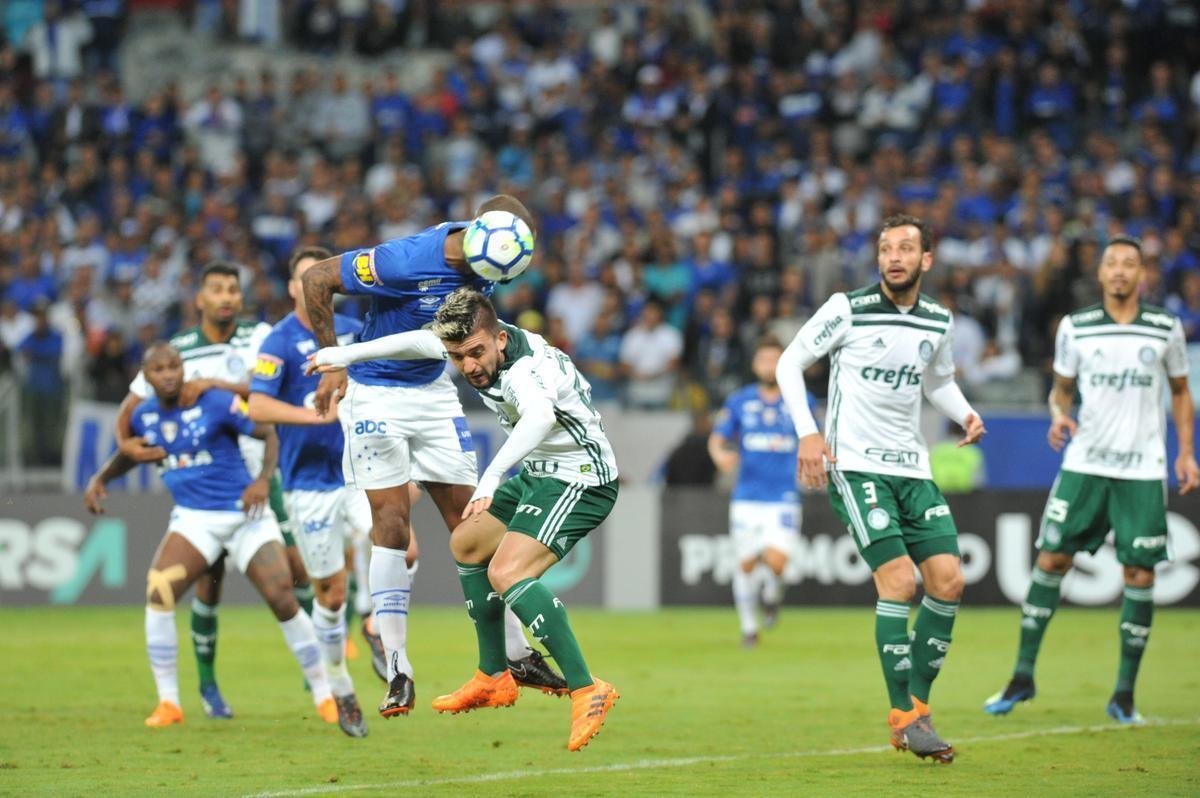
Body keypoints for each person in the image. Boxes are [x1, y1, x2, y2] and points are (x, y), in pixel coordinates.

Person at [310, 287, 619, 751]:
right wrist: (345, 354)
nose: (469, 366)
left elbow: (536, 418)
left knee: (506, 571)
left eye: (475, 353)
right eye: (458, 357)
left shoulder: (525, 371)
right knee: (467, 543)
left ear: (497, 339)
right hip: (541, 475)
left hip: (581, 479)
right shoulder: (478, 342)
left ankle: (586, 688)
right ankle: (495, 673)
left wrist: (492, 477)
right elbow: (417, 342)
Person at [300, 195, 567, 718]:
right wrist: (335, 365)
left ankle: (515, 655)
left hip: (434, 392)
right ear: (475, 237)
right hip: (374, 391)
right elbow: (317, 280)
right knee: (391, 521)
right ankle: (398, 667)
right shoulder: (402, 260)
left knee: (473, 525)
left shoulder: (494, 257)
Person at [775, 214, 985, 763]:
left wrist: (964, 414)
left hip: (913, 468)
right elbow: (789, 363)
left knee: (949, 580)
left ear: (926, 260)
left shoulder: (939, 320)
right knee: (898, 580)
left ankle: (915, 706)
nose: (894, 256)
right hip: (856, 464)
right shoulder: (848, 308)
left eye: (906, 248)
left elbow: (937, 380)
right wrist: (808, 434)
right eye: (886, 247)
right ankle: (906, 716)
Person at [984, 235, 1198, 723]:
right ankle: (1022, 676)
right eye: (1112, 264)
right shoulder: (1076, 328)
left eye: (1129, 264)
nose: (1120, 271)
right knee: (1052, 558)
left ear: (1142, 274)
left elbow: (1182, 393)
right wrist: (1058, 416)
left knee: (1140, 574)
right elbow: (1060, 393)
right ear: (1100, 274)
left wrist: (1186, 452)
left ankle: (1124, 695)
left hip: (1142, 468)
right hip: (1084, 465)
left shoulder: (1165, 327)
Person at [83, 344, 336, 728]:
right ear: (146, 378)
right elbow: (133, 452)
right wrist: (101, 478)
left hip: (243, 514)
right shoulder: (145, 414)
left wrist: (262, 482)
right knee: (159, 592)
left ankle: (325, 695)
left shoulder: (216, 402)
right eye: (159, 369)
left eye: (174, 366)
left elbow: (267, 434)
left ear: (183, 368)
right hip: (194, 520)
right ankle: (169, 702)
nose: (168, 374)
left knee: (281, 595)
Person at [113, 261, 309, 720]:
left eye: (233, 290)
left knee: (298, 568)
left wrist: (218, 385)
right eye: (217, 290)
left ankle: (319, 668)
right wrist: (126, 447)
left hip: (265, 472)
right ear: (199, 299)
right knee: (209, 584)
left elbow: (283, 389)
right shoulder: (176, 352)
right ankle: (207, 685)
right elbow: (130, 409)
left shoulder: (261, 337)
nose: (226, 298)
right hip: (210, 482)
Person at [248, 246, 377, 738]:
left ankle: (373, 623)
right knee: (328, 593)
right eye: (305, 280)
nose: (314, 288)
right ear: (291, 288)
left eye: (322, 280)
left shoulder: (353, 329)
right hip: (307, 483)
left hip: (360, 469)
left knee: (396, 541)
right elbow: (257, 407)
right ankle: (341, 689)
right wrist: (314, 415)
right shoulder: (278, 342)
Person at [708, 336, 804, 648]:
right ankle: (750, 629)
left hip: (783, 495)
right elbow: (717, 438)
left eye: (776, 360)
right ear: (755, 364)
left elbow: (813, 436)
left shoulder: (798, 399)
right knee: (746, 562)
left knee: (776, 563)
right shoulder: (740, 400)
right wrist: (719, 455)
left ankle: (772, 595)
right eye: (764, 360)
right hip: (747, 496)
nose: (769, 366)